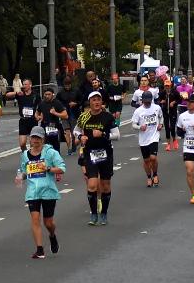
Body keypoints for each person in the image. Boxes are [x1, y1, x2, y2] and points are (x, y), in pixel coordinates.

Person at [16, 126, 66, 259]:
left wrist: (49, 168)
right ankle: (39, 249)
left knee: (48, 223)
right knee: (35, 219)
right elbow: (24, 171)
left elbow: (62, 168)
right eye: (33, 137)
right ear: (30, 139)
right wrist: (21, 177)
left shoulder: (50, 153)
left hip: (48, 191)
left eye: (38, 138)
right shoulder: (25, 155)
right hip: (32, 192)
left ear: (43, 139)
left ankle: (52, 236)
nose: (36, 140)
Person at [75, 91, 118, 225]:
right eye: (94, 100)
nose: (97, 102)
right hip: (90, 153)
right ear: (90, 102)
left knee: (105, 186)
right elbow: (76, 130)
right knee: (92, 185)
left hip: (105, 153)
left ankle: (104, 213)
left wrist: (104, 134)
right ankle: (94, 214)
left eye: (99, 100)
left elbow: (117, 135)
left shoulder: (108, 117)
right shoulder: (84, 117)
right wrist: (80, 137)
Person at [131, 92, 164, 188]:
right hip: (143, 138)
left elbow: (161, 117)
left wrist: (161, 124)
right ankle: (149, 177)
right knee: (146, 160)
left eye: (149, 101)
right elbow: (133, 124)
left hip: (154, 136)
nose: (147, 103)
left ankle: (155, 175)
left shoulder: (157, 108)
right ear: (142, 100)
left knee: (153, 158)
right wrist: (140, 127)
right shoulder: (138, 111)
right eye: (145, 101)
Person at [4, 79, 41, 152]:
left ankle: (32, 157)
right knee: (22, 143)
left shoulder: (35, 95)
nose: (24, 86)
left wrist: (39, 116)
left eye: (25, 84)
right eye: (23, 84)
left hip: (32, 120)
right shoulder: (20, 94)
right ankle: (25, 154)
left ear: (30, 85)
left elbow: (40, 107)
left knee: (32, 143)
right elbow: (7, 95)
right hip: (23, 121)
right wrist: (16, 92)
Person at [35, 87, 69, 153]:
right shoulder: (42, 103)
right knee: (44, 146)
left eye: (49, 94)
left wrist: (55, 113)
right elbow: (37, 112)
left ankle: (56, 160)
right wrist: (37, 117)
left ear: (53, 95)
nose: (47, 96)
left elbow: (65, 115)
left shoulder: (57, 103)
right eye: (46, 94)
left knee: (55, 148)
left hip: (54, 127)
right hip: (44, 126)